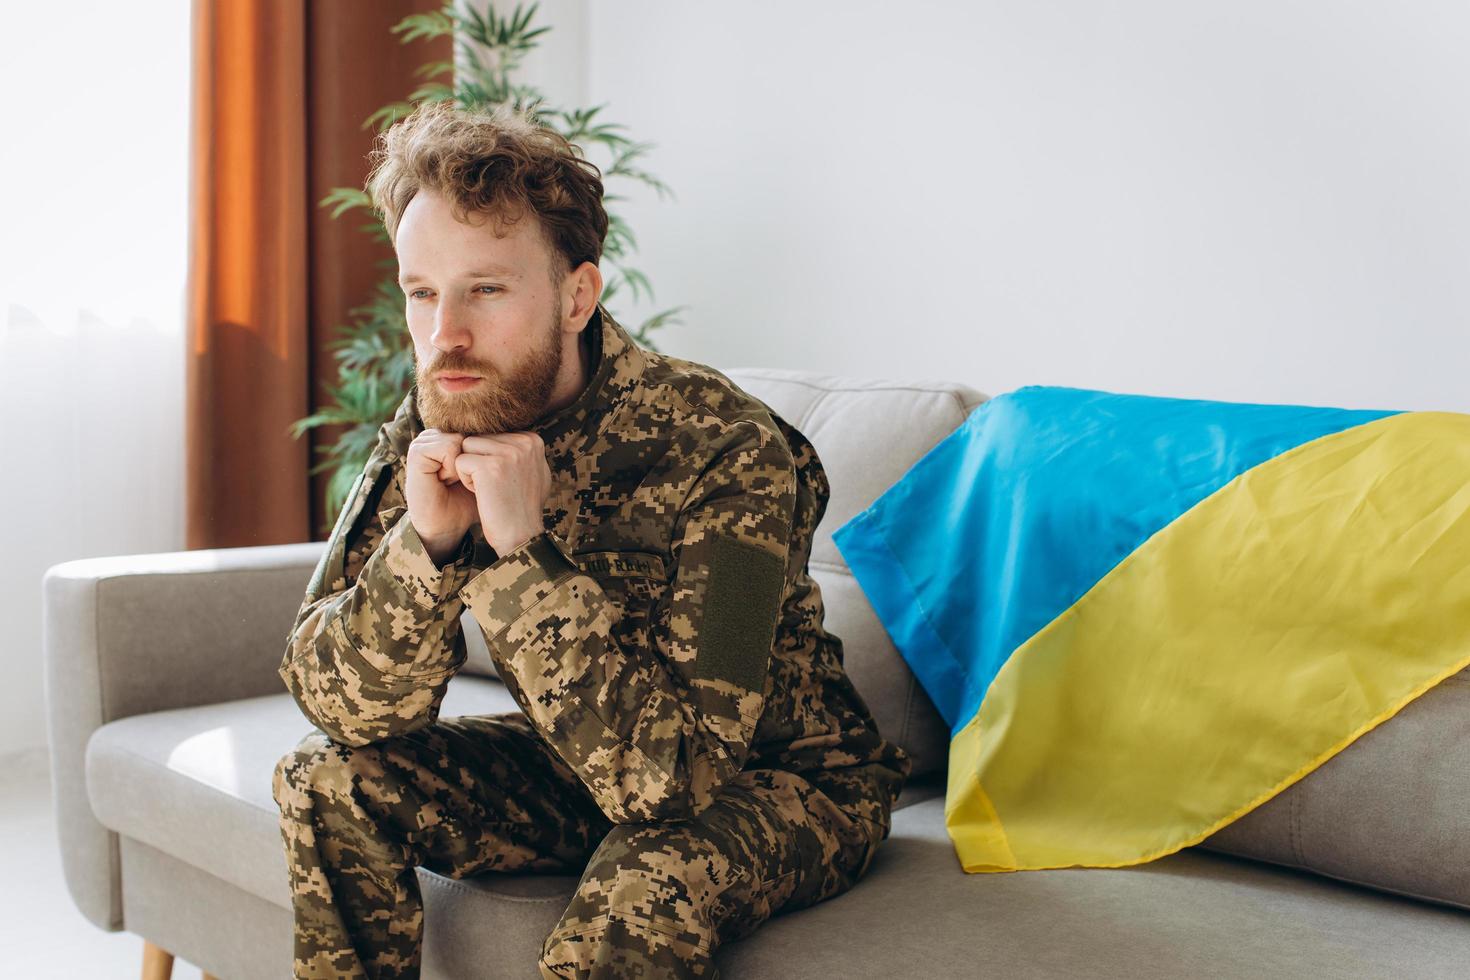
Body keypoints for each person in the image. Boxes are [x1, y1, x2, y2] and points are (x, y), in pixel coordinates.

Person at [270, 98, 910, 980]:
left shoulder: (728, 450)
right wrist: (427, 550)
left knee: (643, 883)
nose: (443, 334)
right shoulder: (441, 412)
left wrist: (522, 560)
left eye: (486, 289)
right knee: (326, 777)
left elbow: (671, 783)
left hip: (782, 779)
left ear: (577, 294)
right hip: (575, 760)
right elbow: (337, 704)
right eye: (423, 293)